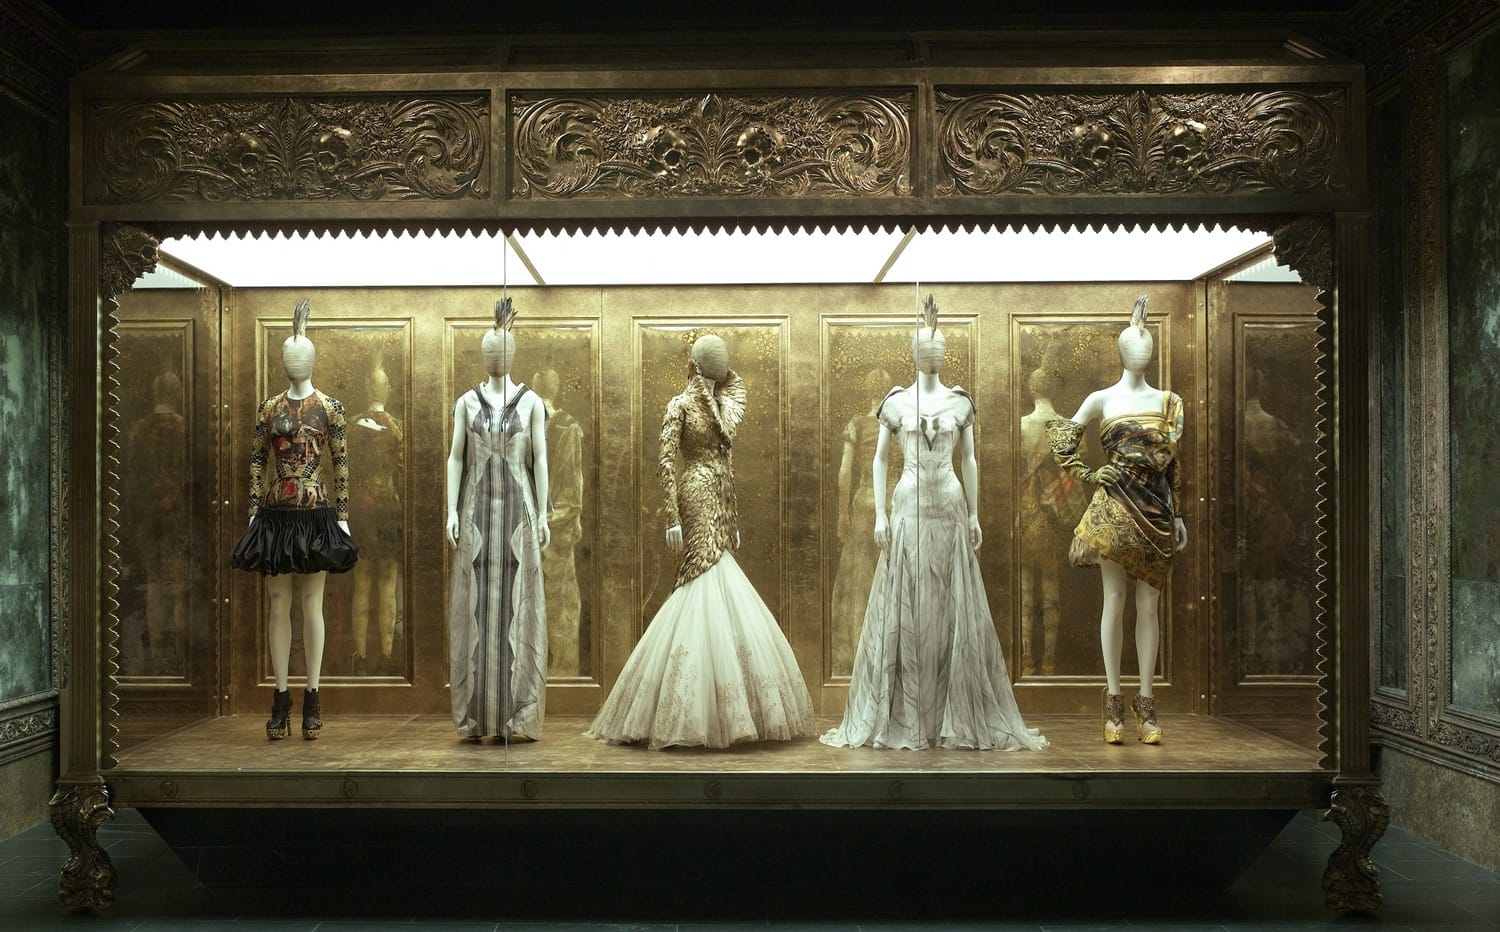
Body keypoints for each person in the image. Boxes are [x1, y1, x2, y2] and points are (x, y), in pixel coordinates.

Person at [823, 297, 1046, 751]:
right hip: (907, 506)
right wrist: (881, 513)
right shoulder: (895, 403)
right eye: (925, 348)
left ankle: (949, 714)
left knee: (949, 603)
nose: (932, 354)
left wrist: (974, 513)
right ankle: (910, 714)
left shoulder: (960, 402)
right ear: (913, 352)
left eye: (938, 347)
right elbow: (880, 458)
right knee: (908, 601)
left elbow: (969, 460)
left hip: (948, 505)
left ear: (945, 353)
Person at [587, 334, 813, 749]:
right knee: (700, 576)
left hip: (720, 496)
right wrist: (672, 517)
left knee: (719, 575)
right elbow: (665, 462)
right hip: (694, 493)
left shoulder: (724, 404)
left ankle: (719, 704)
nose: (720, 364)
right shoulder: (680, 405)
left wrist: (733, 517)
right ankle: (686, 708)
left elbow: (727, 463)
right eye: (713, 359)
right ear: (698, 363)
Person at [1046, 295, 1187, 745]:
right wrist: (1090, 474)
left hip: (1158, 510)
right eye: (1134, 346)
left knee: (1148, 606)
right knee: (1114, 599)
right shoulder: (1101, 399)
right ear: (1122, 352)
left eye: (1146, 346)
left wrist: (1178, 513)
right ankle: (1113, 707)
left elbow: (1172, 464)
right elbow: (1062, 441)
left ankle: (1146, 705)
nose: (1141, 352)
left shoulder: (1169, 402)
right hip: (1114, 508)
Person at [230, 300, 358, 741]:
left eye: (299, 354)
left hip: (316, 513)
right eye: (288, 354)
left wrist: (343, 517)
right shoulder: (269, 408)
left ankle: (313, 697)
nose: (293, 361)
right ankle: (281, 697)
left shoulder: (331, 407)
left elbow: (341, 464)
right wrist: (253, 512)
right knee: (278, 604)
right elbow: (255, 461)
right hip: (275, 516)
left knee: (311, 604)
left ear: (312, 359)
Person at [446, 298, 551, 743]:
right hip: (476, 517)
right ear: (482, 355)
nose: (495, 358)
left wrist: (543, 513)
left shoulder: (532, 403)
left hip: (517, 519)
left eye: (502, 350)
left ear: (512, 353)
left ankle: (515, 716)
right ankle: (477, 717)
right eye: (489, 351)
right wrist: (451, 510)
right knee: (475, 609)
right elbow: (455, 457)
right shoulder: (465, 403)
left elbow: (539, 459)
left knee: (517, 607)